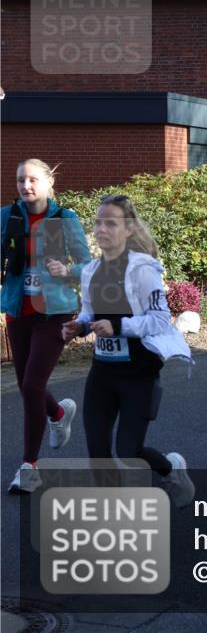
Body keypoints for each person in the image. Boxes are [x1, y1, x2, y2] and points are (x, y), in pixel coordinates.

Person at [62, 195, 195, 507]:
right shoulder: (91, 270)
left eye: (111, 223)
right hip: (103, 372)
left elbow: (160, 319)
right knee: (98, 450)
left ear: (128, 229)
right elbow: (89, 314)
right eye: (98, 222)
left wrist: (118, 326)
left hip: (139, 373)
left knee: (129, 451)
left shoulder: (143, 270)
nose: (102, 229)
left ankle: (171, 470)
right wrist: (77, 327)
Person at [2, 159, 92, 493]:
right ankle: (57, 414)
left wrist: (67, 271)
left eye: (32, 179)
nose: (26, 186)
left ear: (48, 182)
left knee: (33, 384)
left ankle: (29, 466)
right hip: (18, 312)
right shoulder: (6, 216)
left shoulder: (64, 219)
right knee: (28, 386)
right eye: (20, 180)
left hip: (55, 312)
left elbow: (87, 265)